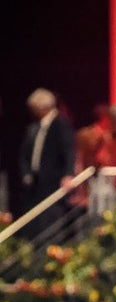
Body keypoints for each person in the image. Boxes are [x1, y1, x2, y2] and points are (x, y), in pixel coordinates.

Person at [19, 88, 75, 237]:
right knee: (37, 223)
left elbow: (69, 150)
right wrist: (26, 174)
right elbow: (24, 154)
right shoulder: (34, 127)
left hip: (54, 182)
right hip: (36, 184)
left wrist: (68, 174)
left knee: (51, 221)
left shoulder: (61, 124)